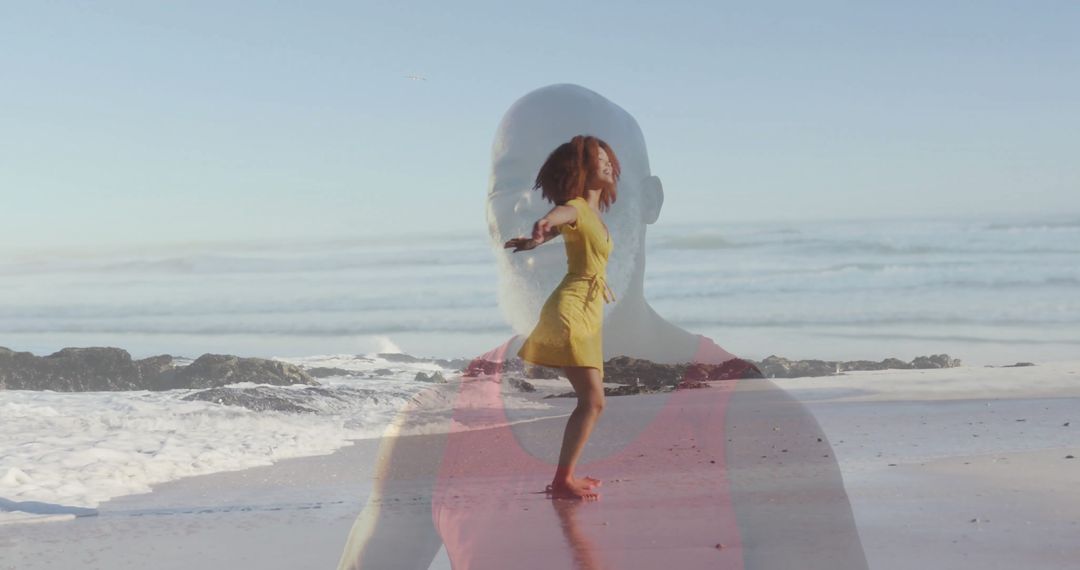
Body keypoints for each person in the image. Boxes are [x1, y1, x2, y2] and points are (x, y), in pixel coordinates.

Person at [336, 84, 868, 569]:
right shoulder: (436, 428)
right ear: (486, 211)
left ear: (650, 199)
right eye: (512, 180)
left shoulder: (757, 425)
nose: (536, 197)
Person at [503, 134, 622, 501]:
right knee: (594, 401)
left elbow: (565, 227)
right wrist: (542, 223)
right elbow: (560, 215)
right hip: (570, 309)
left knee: (592, 401)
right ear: (580, 171)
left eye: (607, 158)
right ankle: (563, 480)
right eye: (597, 159)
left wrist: (538, 241)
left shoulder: (592, 214)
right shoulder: (575, 206)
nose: (606, 164)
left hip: (587, 310)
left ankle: (564, 477)